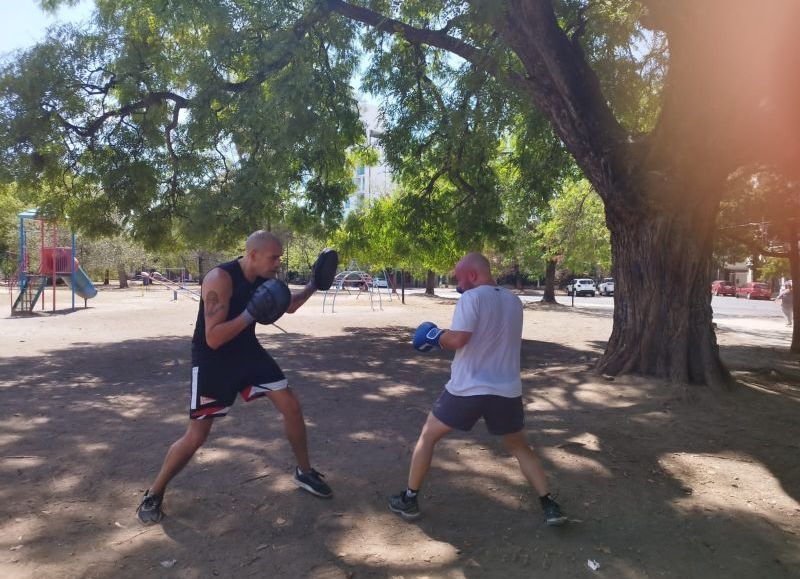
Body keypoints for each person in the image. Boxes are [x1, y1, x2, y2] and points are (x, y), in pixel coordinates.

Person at [136, 230, 332, 525]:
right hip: (214, 359)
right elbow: (213, 338)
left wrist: (314, 284)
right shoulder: (219, 279)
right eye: (274, 257)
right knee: (197, 436)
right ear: (253, 254)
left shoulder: (264, 277)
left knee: (291, 405)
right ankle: (154, 493)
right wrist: (251, 313)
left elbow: (288, 304)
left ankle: (304, 472)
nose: (278, 263)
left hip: (247, 352)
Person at [389, 253, 566, 526]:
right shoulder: (514, 301)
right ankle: (549, 505)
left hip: (467, 389)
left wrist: (435, 336)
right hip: (506, 390)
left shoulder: (471, 298)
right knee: (520, 447)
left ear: (472, 275)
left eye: (459, 278)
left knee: (427, 436)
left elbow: (459, 339)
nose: (458, 284)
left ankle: (409, 500)